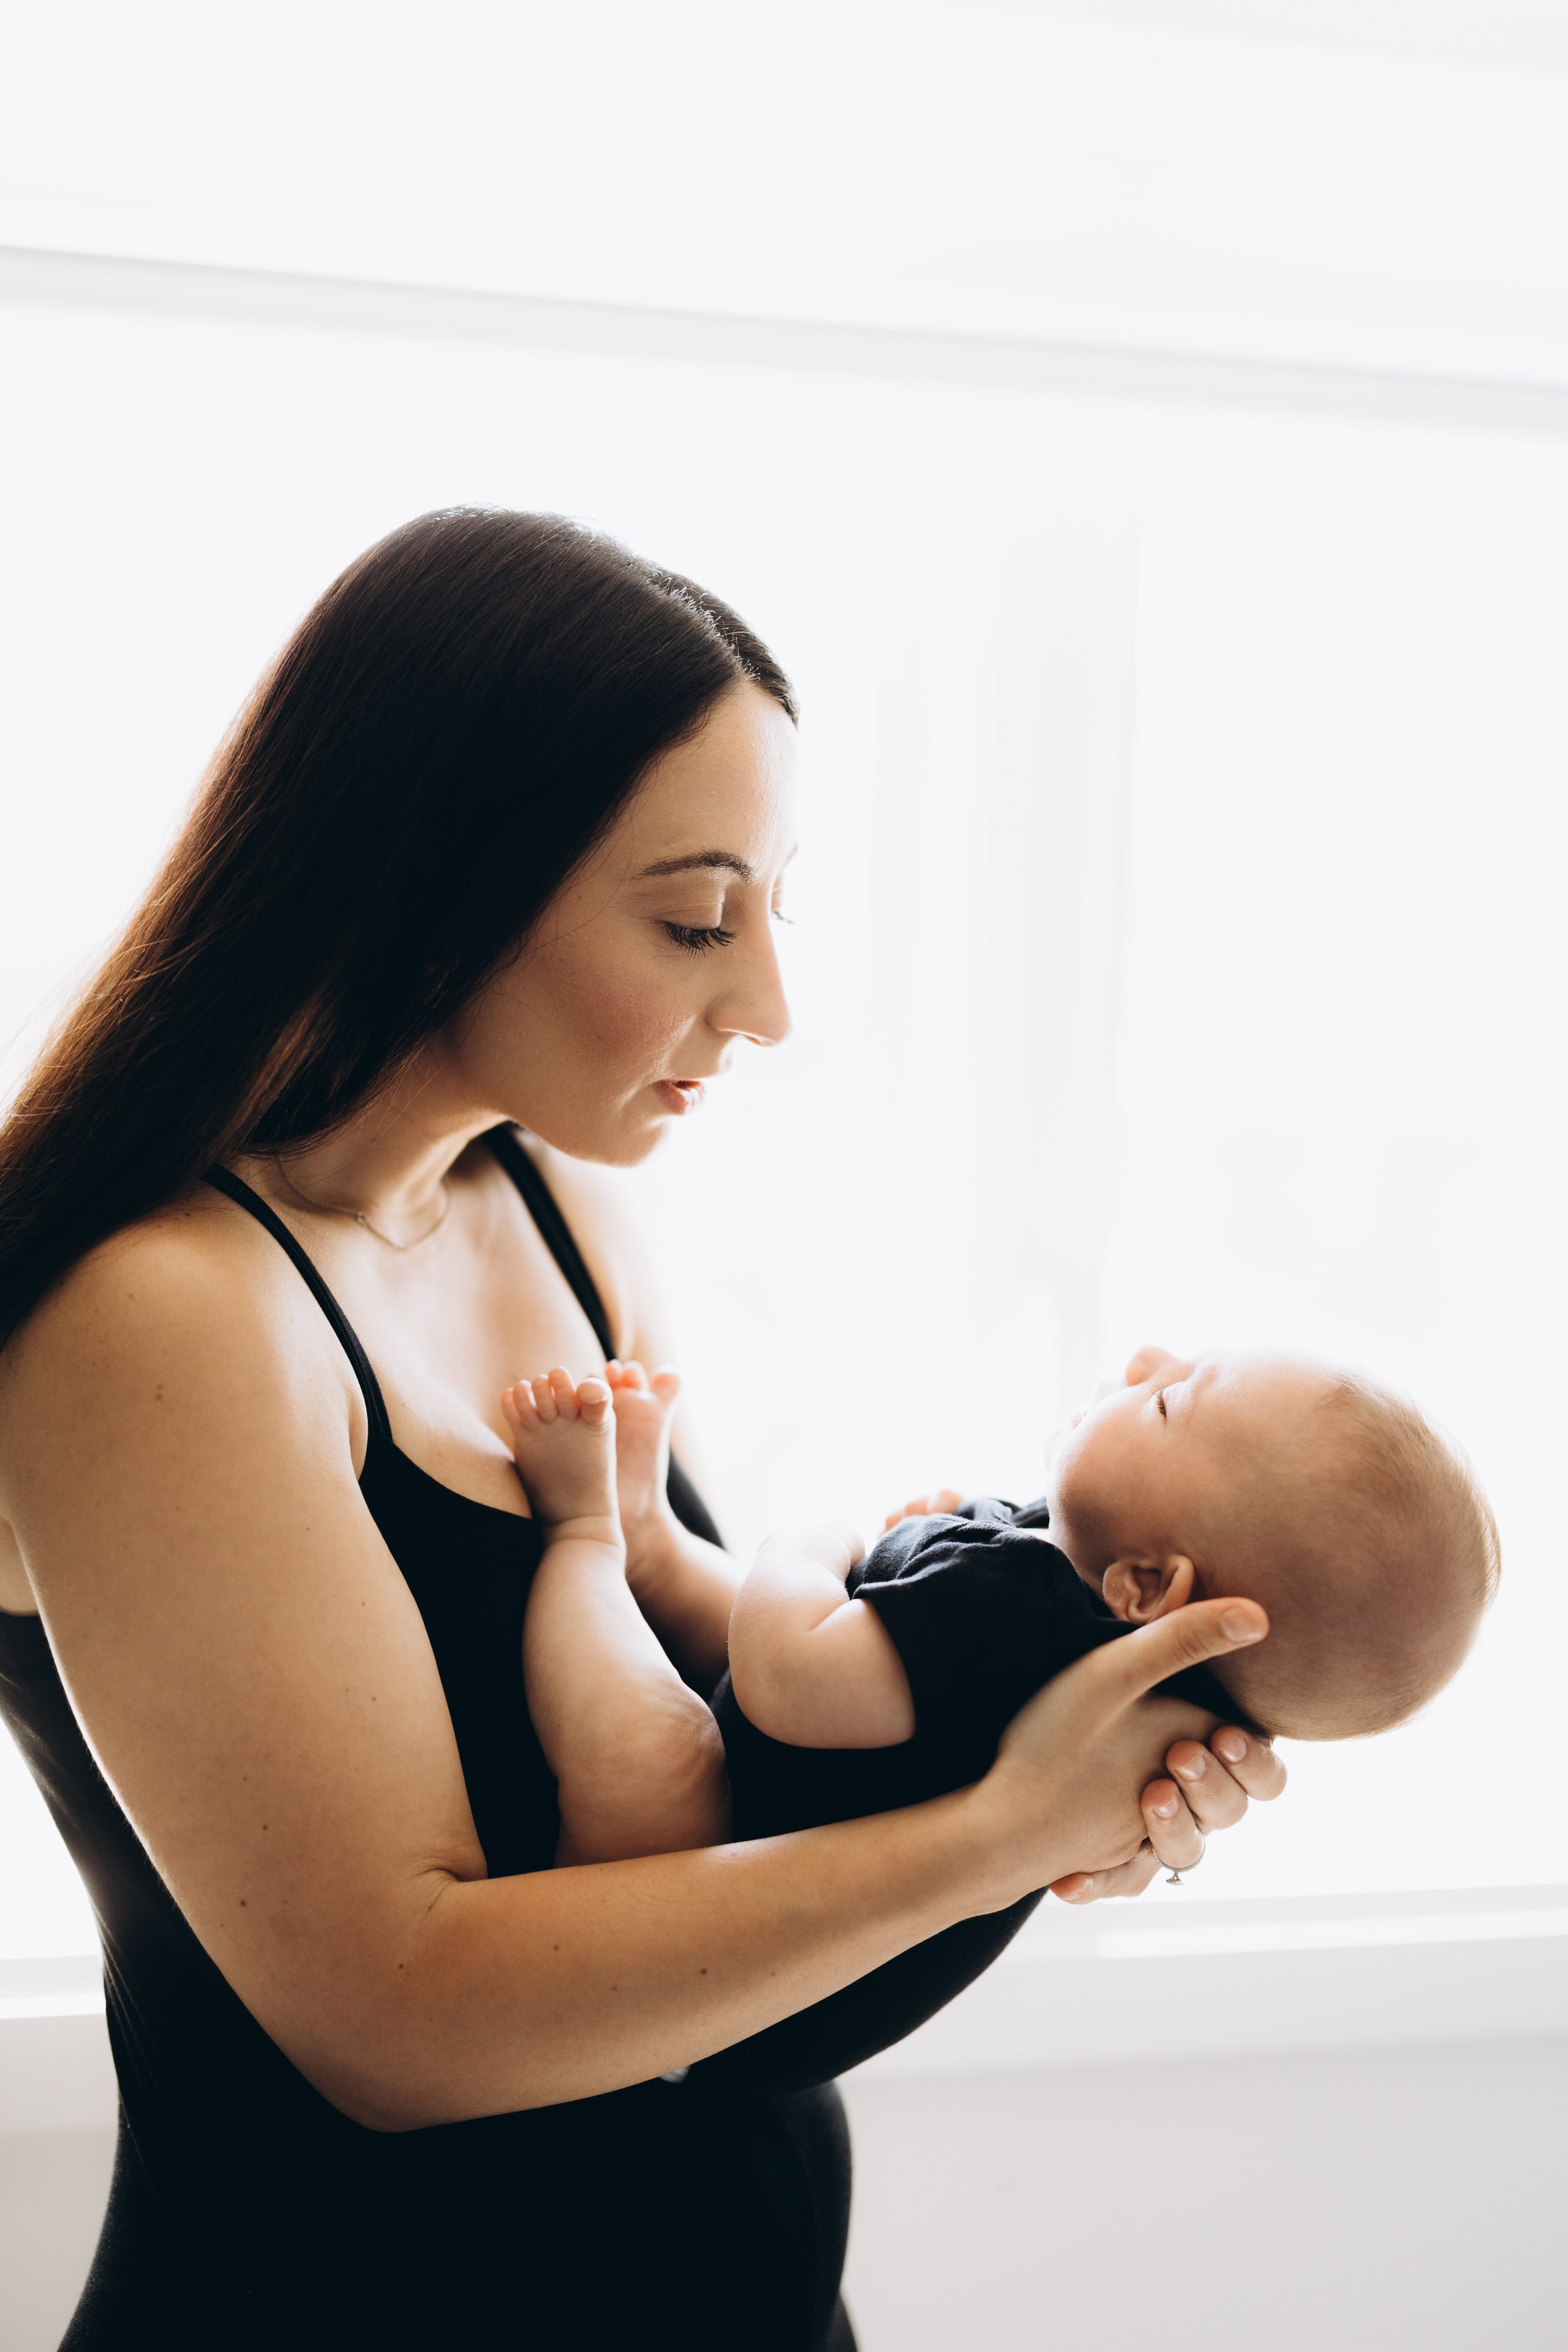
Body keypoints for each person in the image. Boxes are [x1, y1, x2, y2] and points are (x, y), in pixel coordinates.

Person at [0, 508, 1285, 2351]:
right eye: (693, 918)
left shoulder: (566, 1218)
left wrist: (1068, 1741)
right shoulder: (159, 1319)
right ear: (436, 883)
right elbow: (402, 2020)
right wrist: (1001, 1831)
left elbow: (686, 1795)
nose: (764, 1003)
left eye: (772, 907)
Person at [497, 1341, 1495, 2084]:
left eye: (1168, 1403)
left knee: (657, 1750)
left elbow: (784, 1677)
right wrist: (915, 1557)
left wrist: (817, 1538)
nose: (1146, 1361)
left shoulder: (1027, 1611)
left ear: (1147, 1585)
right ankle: (655, 1544)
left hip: (697, 1975)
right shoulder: (1077, 1616)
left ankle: (584, 1531)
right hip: (773, 1960)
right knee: (753, 1639)